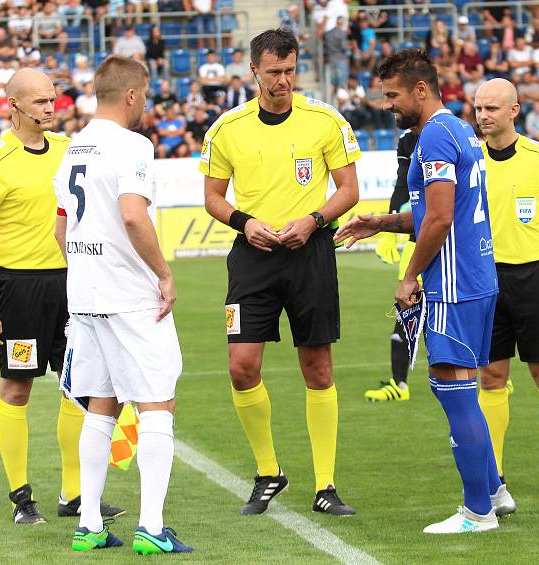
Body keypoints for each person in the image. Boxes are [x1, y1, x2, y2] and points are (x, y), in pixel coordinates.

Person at [334, 49, 515, 534]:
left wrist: (410, 274)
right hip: (477, 276)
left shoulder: (433, 136)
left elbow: (438, 218)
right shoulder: (458, 129)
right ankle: (494, 487)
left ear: (420, 89)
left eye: (393, 95)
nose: (387, 105)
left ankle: (478, 512)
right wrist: (384, 222)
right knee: (464, 388)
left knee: (452, 388)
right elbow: (437, 210)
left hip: (453, 283)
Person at [200, 29, 360, 517]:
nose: (284, 80)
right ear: (254, 71)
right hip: (252, 258)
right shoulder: (226, 128)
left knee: (318, 368)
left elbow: (348, 190)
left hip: (310, 252)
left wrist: (313, 221)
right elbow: (212, 197)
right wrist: (245, 224)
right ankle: (269, 472)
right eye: (274, 72)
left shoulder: (325, 120)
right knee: (241, 366)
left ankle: (326, 485)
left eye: (290, 70)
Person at [0, 68, 123, 525]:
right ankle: (21, 496)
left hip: (71, 286)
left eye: (53, 100)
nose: (50, 108)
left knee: (80, 390)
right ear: (12, 105)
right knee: (17, 390)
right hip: (17, 289)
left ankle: (74, 495)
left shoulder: (69, 151)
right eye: (38, 101)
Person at [54, 56, 192, 554]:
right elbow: (134, 217)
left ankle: (89, 525)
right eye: (147, 94)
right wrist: (163, 273)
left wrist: (87, 271)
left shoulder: (72, 148)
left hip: (86, 296)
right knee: (158, 403)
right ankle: (152, 529)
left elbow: (60, 229)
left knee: (100, 406)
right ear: (132, 95)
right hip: (130, 298)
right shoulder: (132, 145)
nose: (147, 103)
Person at [473, 78, 539, 495]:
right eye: (479, 108)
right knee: (491, 375)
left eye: (492, 108)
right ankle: (494, 473)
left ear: (514, 111)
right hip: (484, 279)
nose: (483, 116)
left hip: (536, 278)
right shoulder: (469, 160)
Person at [364, 129, 417, 402]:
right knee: (407, 313)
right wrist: (388, 227)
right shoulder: (408, 139)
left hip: (453, 245)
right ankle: (399, 384)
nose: (388, 106)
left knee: (457, 318)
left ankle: (496, 378)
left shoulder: (447, 133)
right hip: (416, 241)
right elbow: (402, 185)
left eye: (394, 96)